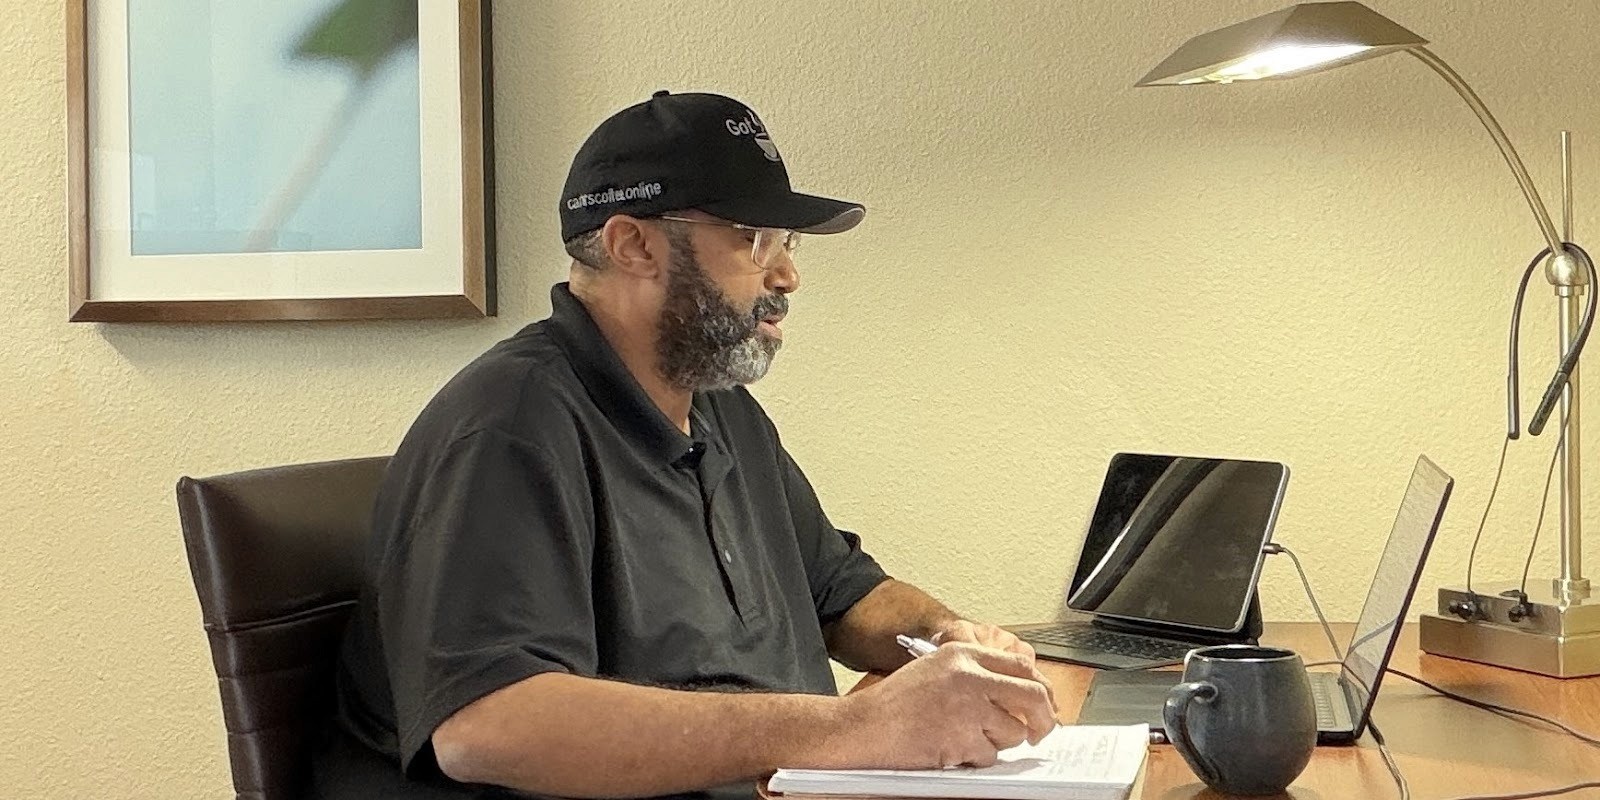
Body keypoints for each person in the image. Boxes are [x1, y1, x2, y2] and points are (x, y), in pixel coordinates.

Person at [311, 91, 1057, 800]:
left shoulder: (722, 411)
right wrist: (852, 728)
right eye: (755, 239)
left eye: (788, 242)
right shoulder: (508, 425)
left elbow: (842, 595)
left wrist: (947, 640)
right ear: (633, 244)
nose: (788, 274)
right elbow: (487, 728)